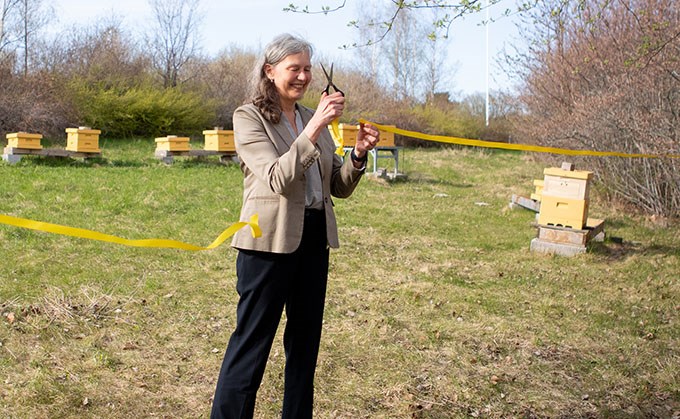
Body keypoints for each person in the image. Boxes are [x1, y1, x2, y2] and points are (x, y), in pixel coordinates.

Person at [210, 33, 380, 419]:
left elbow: (336, 185)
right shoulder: (248, 117)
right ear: (270, 72)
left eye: (307, 68)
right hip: (267, 246)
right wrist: (317, 126)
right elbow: (277, 178)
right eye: (294, 69)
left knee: (304, 350)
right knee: (250, 350)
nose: (304, 77)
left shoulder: (307, 118)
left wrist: (356, 154)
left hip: (314, 240)